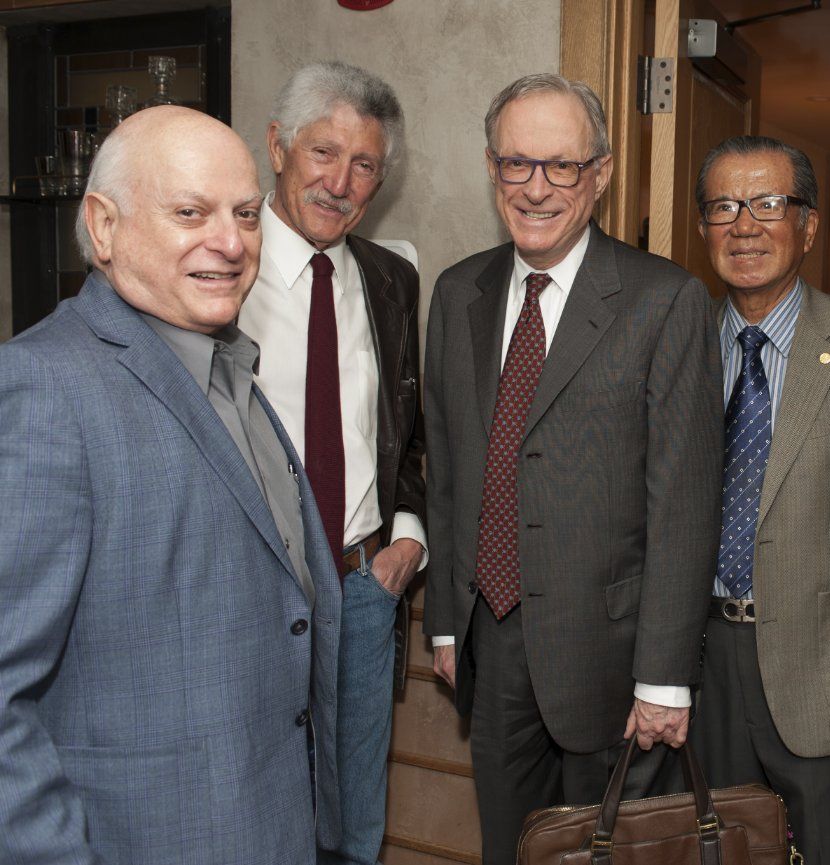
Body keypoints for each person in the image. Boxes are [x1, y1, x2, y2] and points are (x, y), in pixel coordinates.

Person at [0, 106, 340, 864]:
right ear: (105, 224)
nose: (230, 241)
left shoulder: (229, 365)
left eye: (246, 214)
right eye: (191, 212)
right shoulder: (44, 388)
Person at [421, 73, 722, 865]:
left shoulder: (664, 300)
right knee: (509, 848)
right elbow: (450, 469)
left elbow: (683, 505)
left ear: (602, 172)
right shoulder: (457, 293)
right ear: (492, 170)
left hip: (612, 655)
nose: (537, 188)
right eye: (517, 164)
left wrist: (663, 675)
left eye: (561, 166)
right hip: (489, 638)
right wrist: (449, 619)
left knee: (607, 854)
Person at [691, 135, 830, 864]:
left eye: (767, 203)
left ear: (808, 225)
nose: (744, 225)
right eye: (723, 206)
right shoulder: (676, 343)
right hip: (701, 670)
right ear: (702, 229)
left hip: (827, 682)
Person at [237, 61, 426, 865]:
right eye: (323, 152)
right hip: (246, 585)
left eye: (364, 165)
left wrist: (409, 539)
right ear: (277, 146)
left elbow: (411, 429)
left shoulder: (392, 279)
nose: (340, 182)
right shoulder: (218, 268)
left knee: (353, 820)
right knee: (253, 805)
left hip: (360, 586)